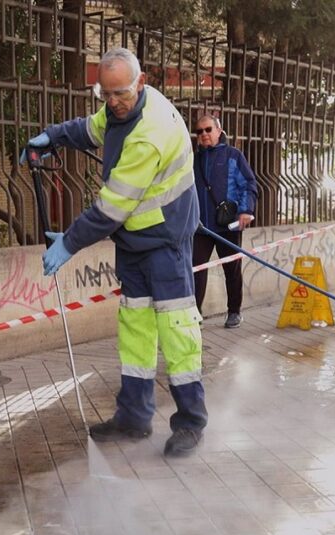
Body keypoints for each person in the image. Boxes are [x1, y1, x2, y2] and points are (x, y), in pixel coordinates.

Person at [25, 47, 207, 457]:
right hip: (135, 241)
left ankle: (191, 423)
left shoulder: (150, 133)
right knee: (136, 330)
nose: (112, 103)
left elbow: (111, 208)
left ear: (140, 84)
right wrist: (54, 136)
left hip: (165, 241)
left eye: (120, 94)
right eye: (105, 95)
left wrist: (69, 243)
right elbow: (92, 128)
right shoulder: (119, 107)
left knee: (177, 332)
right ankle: (134, 418)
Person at [192, 115, 258, 328]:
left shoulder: (233, 155)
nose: (203, 134)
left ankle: (234, 311)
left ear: (219, 131)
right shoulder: (194, 160)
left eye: (208, 129)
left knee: (232, 269)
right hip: (201, 227)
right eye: (199, 131)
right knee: (196, 269)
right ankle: (195, 314)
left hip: (227, 225)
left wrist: (246, 210)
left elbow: (249, 184)